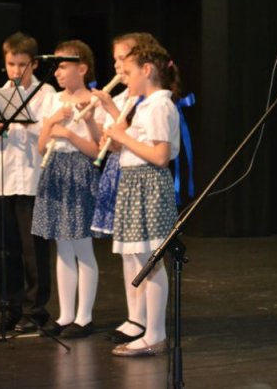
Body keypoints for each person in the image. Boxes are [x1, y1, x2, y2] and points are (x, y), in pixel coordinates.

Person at [93, 40, 181, 356]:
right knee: (141, 260)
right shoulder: (145, 105)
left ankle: (155, 334)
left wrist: (122, 136)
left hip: (149, 184)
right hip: (134, 183)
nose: (124, 78)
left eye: (128, 72)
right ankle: (146, 328)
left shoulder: (159, 105)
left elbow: (160, 156)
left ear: (146, 70)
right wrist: (118, 138)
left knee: (151, 262)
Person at [0, 32, 55, 333]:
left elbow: (51, 137)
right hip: (3, 181)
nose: (15, 70)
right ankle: (7, 307)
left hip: (34, 181)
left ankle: (35, 310)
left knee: (34, 251)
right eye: (11, 64)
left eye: (22, 64)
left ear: (34, 64)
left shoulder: (46, 94)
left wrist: (27, 123)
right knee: (5, 250)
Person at [89, 33, 160, 345]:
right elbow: (116, 143)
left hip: (140, 175)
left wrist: (112, 114)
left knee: (143, 253)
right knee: (127, 252)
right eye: (116, 59)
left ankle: (147, 321)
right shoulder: (125, 97)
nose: (118, 66)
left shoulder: (149, 101)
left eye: (123, 59)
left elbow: (142, 141)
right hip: (120, 172)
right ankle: (135, 316)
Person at [31, 40, 101, 339]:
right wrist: (51, 124)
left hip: (80, 172)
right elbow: (41, 146)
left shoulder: (95, 100)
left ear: (81, 68)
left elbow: (97, 151)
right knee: (62, 247)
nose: (57, 73)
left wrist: (71, 134)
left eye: (61, 66)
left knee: (82, 246)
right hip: (54, 171)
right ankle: (65, 314)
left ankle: (84, 317)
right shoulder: (52, 100)